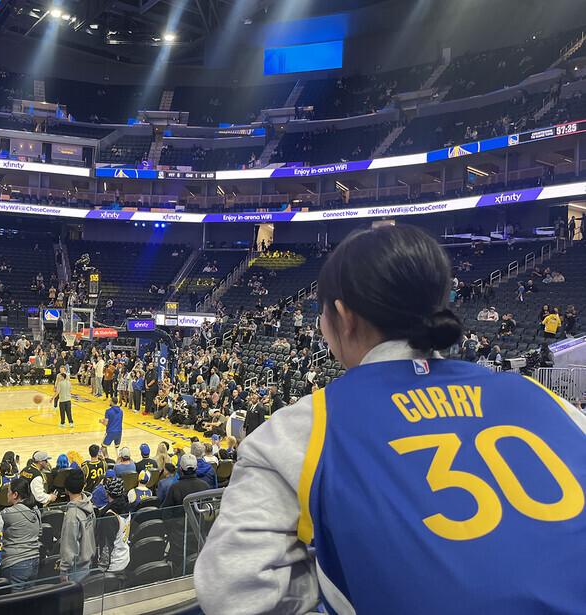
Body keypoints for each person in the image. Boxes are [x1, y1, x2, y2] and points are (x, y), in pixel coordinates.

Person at [195, 224, 586, 614]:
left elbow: (231, 594)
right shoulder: (549, 401)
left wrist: (338, 575)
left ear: (343, 316)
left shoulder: (299, 430)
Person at [162, 454, 210, 573]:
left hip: (180, 540)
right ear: (196, 468)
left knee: (179, 570)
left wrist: (172, 532)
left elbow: (166, 514)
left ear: (180, 469)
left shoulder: (175, 488)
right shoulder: (205, 486)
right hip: (199, 537)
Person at [0, 478, 42, 584]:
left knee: (15, 595)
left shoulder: (8, 513)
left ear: (15, 495)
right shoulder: (36, 510)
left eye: (8, 491)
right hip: (35, 559)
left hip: (15, 562)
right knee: (29, 594)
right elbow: (40, 532)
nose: (7, 494)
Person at [59, 469, 96, 583]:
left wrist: (64, 570)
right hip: (88, 561)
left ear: (66, 489)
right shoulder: (89, 504)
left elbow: (69, 545)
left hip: (77, 568)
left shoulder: (72, 514)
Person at [95, 476, 131, 576]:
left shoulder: (110, 516)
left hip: (113, 564)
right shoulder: (127, 508)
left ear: (107, 493)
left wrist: (102, 567)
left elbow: (107, 546)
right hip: (124, 556)